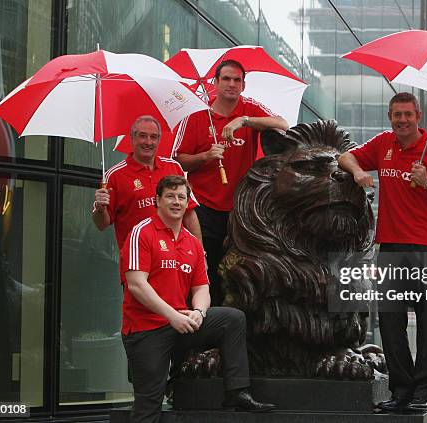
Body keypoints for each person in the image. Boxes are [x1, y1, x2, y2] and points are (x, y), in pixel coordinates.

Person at [339, 92, 427, 413]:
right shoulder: (383, 145)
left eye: (408, 114)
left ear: (418, 116)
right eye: (396, 115)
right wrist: (358, 172)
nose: (402, 120)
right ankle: (401, 390)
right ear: (390, 117)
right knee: (391, 323)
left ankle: (425, 390)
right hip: (390, 248)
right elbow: (345, 157)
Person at [121, 175, 275, 422]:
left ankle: (236, 392)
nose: (176, 202)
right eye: (170, 196)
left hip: (181, 323)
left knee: (232, 319)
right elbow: (137, 285)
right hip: (146, 330)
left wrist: (199, 313)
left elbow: (202, 288)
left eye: (181, 197)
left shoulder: (192, 243)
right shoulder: (142, 233)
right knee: (148, 405)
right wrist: (171, 315)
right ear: (157, 200)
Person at [175, 60, 288, 305]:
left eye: (237, 80)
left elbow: (282, 124)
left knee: (240, 273)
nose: (231, 84)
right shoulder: (195, 115)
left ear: (243, 85)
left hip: (240, 211)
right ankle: (205, 327)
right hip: (202, 209)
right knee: (205, 269)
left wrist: (245, 121)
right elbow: (179, 161)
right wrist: (205, 156)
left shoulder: (249, 108)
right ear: (216, 83)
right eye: (226, 79)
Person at [92, 115, 201, 250]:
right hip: (136, 257)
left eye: (153, 137)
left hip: (175, 256)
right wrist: (100, 209)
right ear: (132, 138)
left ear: (159, 140)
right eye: (143, 136)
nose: (148, 142)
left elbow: (189, 214)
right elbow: (101, 224)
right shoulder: (115, 175)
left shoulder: (173, 167)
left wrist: (200, 253)